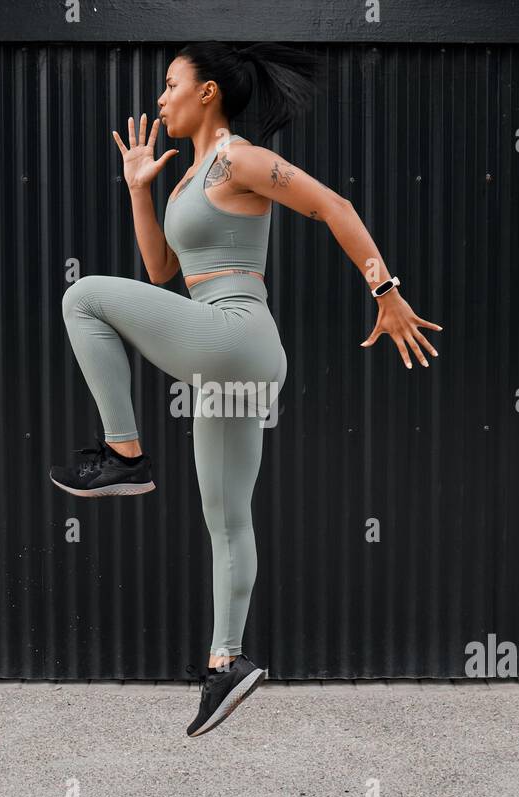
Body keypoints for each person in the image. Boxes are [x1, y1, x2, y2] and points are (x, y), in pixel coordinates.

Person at [49, 41, 442, 736]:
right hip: (228, 356)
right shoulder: (188, 177)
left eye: (171, 84)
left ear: (208, 94)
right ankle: (225, 662)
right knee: (226, 518)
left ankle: (126, 456)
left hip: (232, 336)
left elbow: (331, 204)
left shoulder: (237, 158)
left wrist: (386, 289)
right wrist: (140, 188)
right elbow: (161, 269)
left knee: (83, 298)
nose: (160, 97)